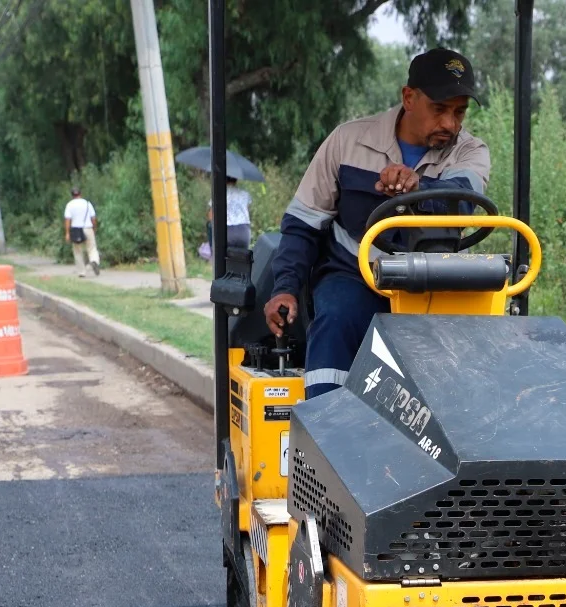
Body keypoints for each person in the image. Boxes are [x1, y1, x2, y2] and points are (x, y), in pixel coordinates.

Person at [263, 48, 489, 397]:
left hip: (433, 284)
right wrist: (285, 286)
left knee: (465, 358)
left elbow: (463, 198)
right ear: (409, 97)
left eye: (460, 112)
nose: (450, 124)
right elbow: (304, 222)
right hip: (355, 273)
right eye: (439, 109)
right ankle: (326, 428)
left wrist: (418, 186)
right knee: (337, 317)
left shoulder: (470, 152)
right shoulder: (347, 141)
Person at [204, 176, 253, 259]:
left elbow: (211, 216)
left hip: (227, 232)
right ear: (236, 179)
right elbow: (247, 210)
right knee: (242, 263)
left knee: (224, 264)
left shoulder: (219, 193)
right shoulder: (245, 194)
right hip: (244, 231)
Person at [63, 187, 100, 277]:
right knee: (92, 248)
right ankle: (94, 261)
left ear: (72, 195)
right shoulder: (87, 203)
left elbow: (68, 220)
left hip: (76, 229)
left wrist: (67, 233)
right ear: (80, 194)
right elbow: (93, 218)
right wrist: (94, 228)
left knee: (78, 251)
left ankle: (82, 272)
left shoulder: (69, 205)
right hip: (87, 227)